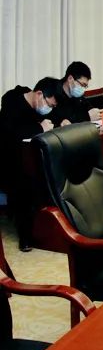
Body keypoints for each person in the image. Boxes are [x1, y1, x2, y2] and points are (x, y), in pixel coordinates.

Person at [0, 77, 62, 251]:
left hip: (30, 157)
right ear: (39, 94)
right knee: (25, 183)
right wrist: (40, 128)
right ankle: (26, 237)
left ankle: (55, 228)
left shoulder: (38, 106)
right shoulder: (11, 102)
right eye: (49, 105)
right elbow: (12, 134)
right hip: (8, 161)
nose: (49, 109)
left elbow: (51, 121)